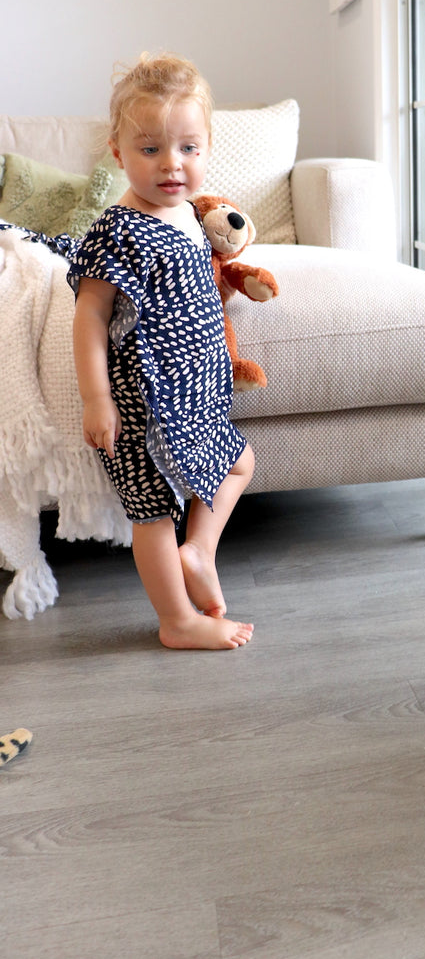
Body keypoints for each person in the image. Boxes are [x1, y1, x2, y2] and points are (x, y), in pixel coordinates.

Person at [69, 53, 255, 650]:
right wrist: (98, 399)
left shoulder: (187, 216)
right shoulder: (119, 229)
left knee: (239, 462)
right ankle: (176, 620)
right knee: (152, 511)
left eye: (188, 149)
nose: (172, 165)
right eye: (150, 150)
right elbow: (90, 317)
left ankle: (199, 551)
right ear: (118, 152)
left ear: (205, 149)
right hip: (144, 399)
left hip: (197, 392)